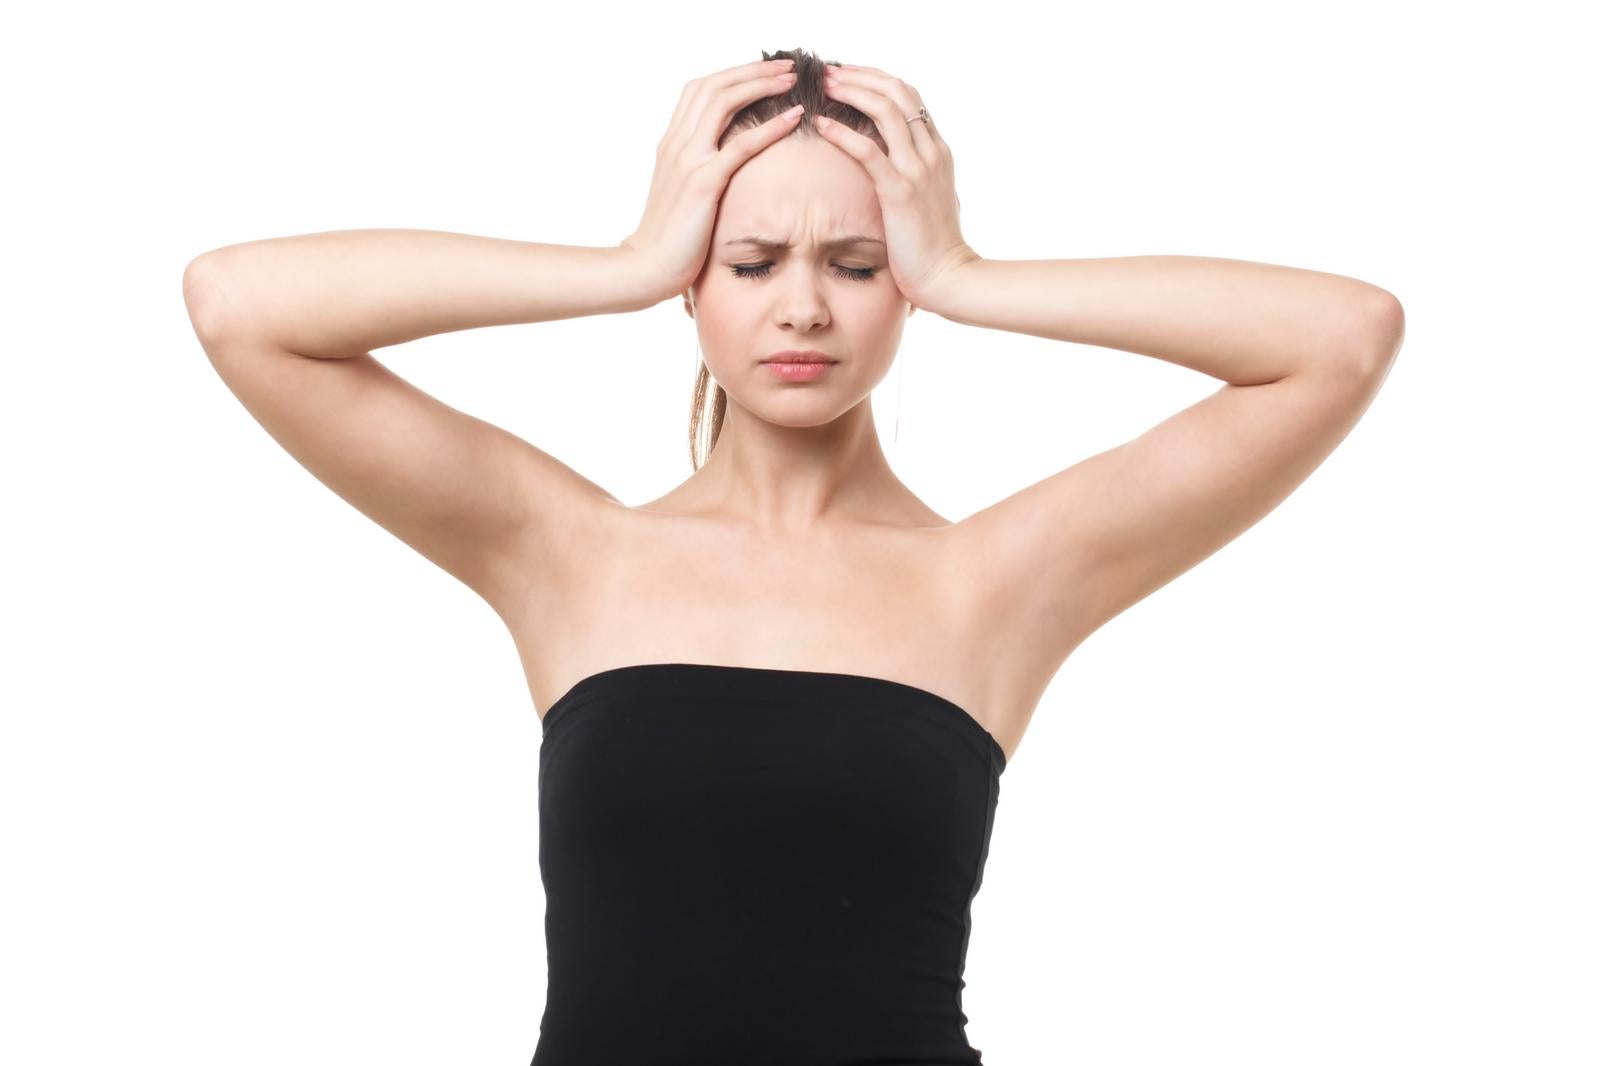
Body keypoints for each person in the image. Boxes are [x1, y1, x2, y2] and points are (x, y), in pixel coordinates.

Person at [182, 46, 1403, 1066]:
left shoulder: (995, 576)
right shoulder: (568, 551)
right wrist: (619, 265)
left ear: (904, 287)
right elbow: (241, 305)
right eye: (752, 263)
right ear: (691, 287)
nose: (804, 308)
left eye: (858, 266)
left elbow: (1341, 338)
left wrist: (971, 272)